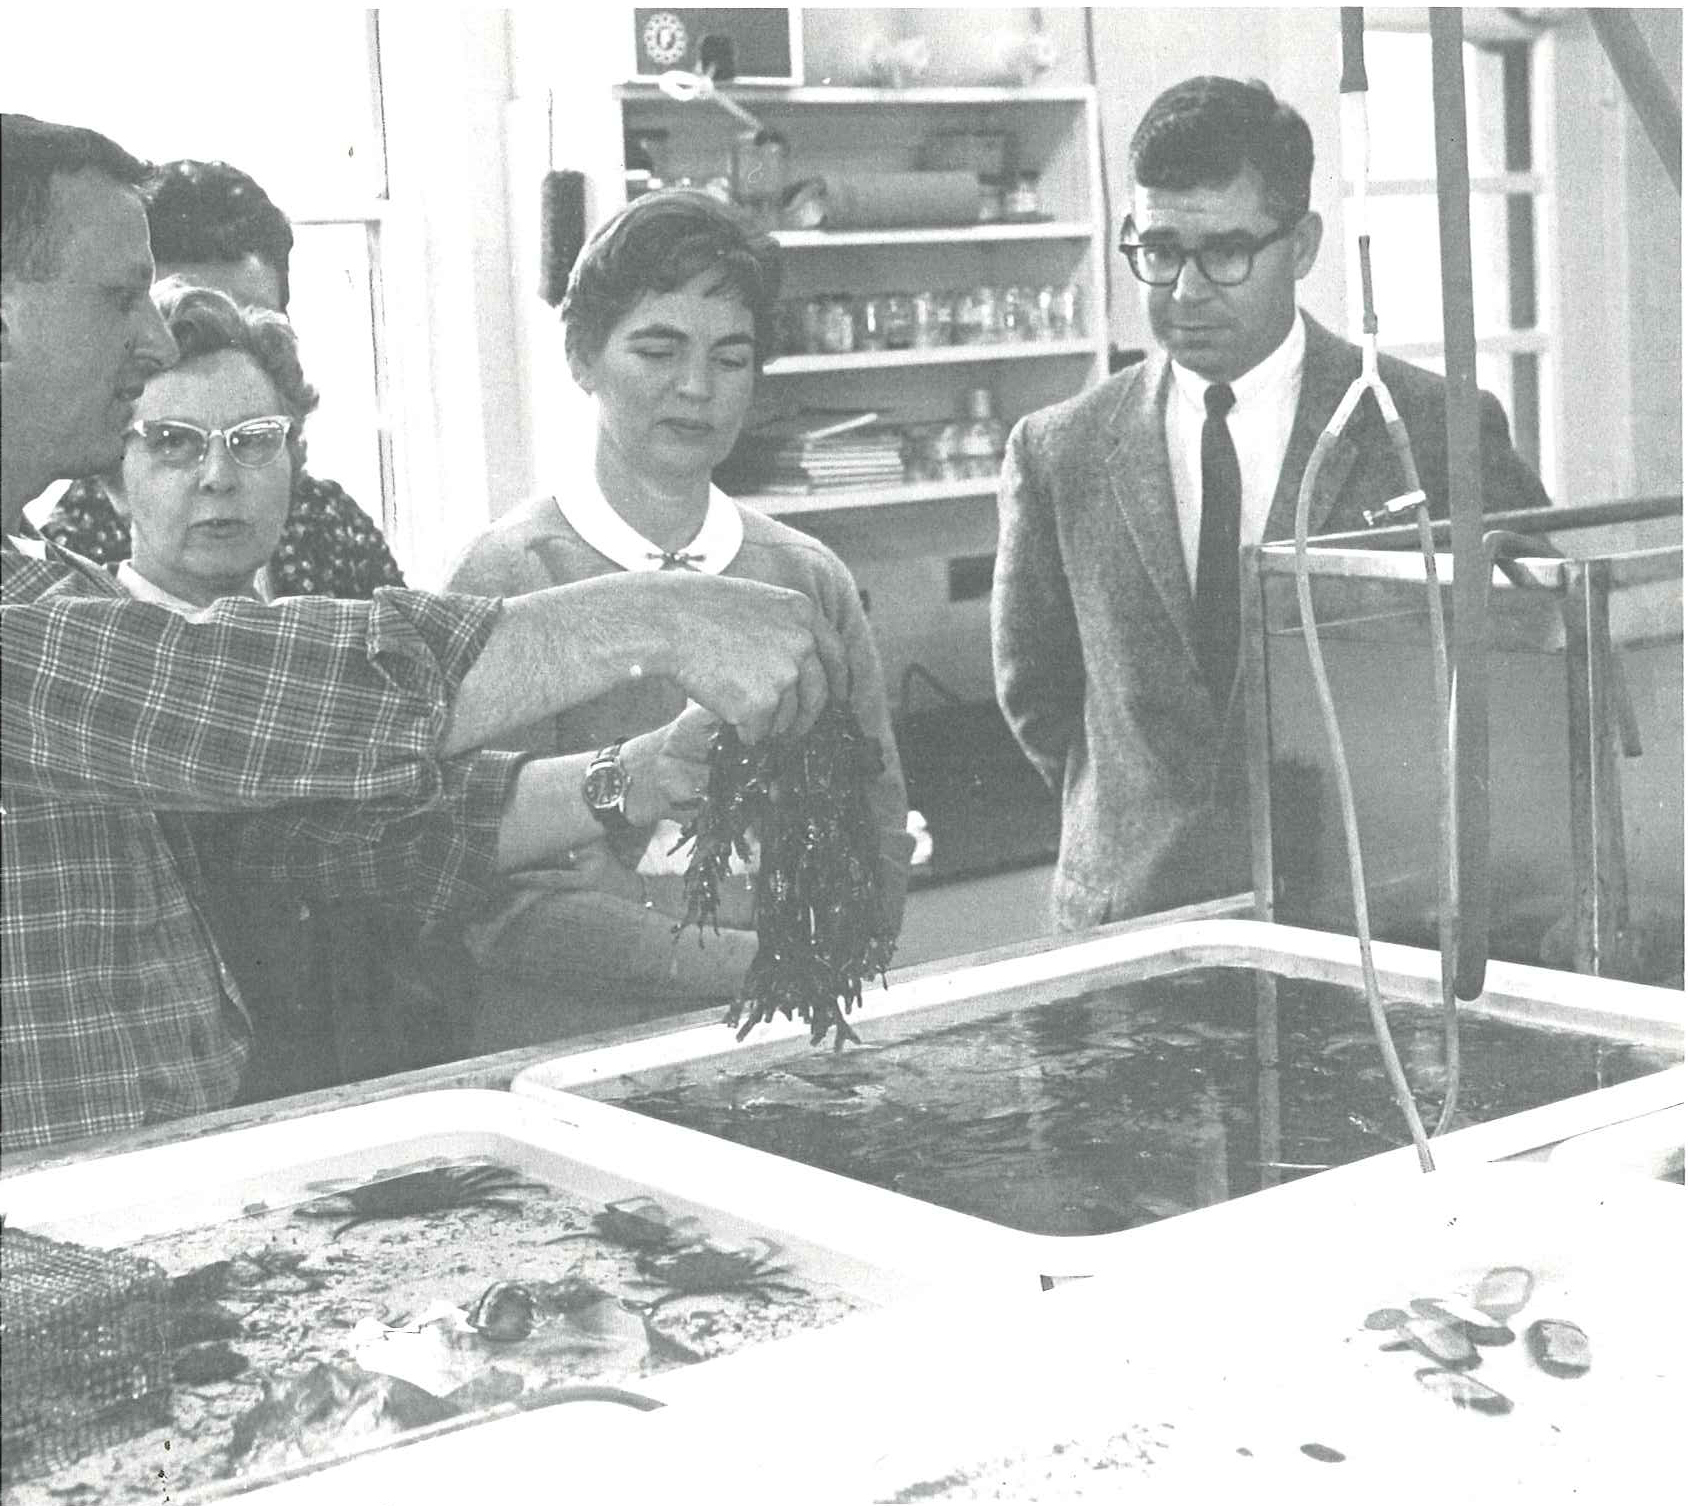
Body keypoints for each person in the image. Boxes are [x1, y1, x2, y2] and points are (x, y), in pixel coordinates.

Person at [1, 114, 844, 1152]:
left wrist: (633, 774)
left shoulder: (53, 583)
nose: (156, 340)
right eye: (117, 297)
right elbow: (247, 692)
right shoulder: (56, 633)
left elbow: (310, 833)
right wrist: (654, 612)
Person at [992, 76, 1551, 933]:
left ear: (1302, 244)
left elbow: (1529, 654)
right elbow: (1038, 693)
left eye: (1225, 252)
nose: (1184, 290)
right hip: (1133, 919)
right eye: (1159, 248)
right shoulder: (1057, 449)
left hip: (1373, 915)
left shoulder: (1434, 429)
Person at [442, 189, 912, 1050]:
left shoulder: (807, 577)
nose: (696, 388)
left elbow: (872, 842)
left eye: (731, 358)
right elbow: (506, 906)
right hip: (571, 1056)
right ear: (583, 358)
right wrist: (769, 958)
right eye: (657, 349)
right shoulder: (509, 577)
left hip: (785, 1046)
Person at [98, 278, 454, 1097]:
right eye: (173, 442)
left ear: (295, 460)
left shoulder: (341, 650)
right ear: (112, 472)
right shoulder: (87, 666)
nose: (219, 475)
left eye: (254, 439)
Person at [39, 157, 404, 596]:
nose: (224, 339)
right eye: (179, 311)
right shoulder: (68, 558)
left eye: (252, 316)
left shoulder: (331, 526)